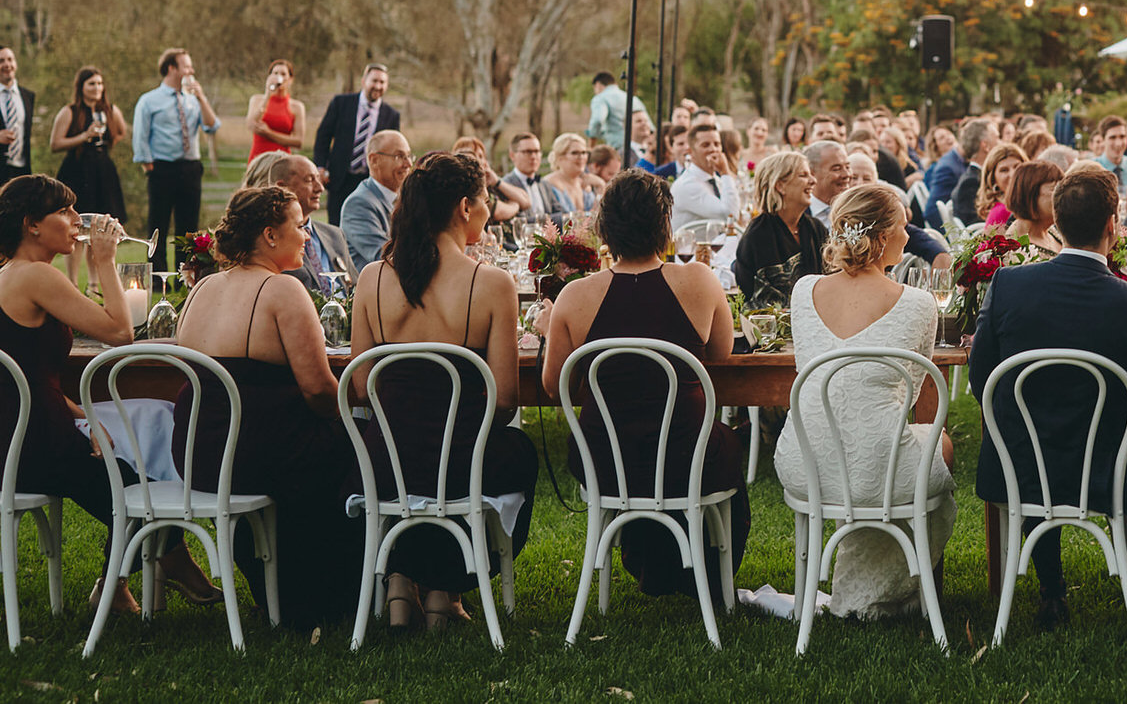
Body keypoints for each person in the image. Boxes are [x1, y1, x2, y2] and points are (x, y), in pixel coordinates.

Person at [968, 167, 1127, 633]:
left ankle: (1051, 589)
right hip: (1109, 469)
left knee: (1035, 444)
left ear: (1056, 223)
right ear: (1113, 225)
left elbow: (981, 376)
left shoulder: (1009, 286)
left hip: (1021, 468)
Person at [0, 176, 220, 614]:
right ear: (32, 226)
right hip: (39, 448)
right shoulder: (37, 276)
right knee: (148, 494)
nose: (75, 221)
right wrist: (105, 260)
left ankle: (133, 577)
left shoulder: (10, 274)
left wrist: (81, 412)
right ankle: (140, 573)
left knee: (132, 477)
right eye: (63, 212)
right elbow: (120, 332)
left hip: (19, 435)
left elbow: (20, 376)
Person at [542, 167, 746, 604]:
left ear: (605, 228)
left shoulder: (575, 297)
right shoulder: (699, 281)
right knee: (728, 442)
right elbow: (722, 354)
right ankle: (703, 574)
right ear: (665, 226)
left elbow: (552, 386)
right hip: (685, 456)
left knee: (665, 447)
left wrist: (549, 331)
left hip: (607, 460)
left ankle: (653, 562)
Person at [349, 152, 535, 632]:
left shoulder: (372, 278)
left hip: (385, 462)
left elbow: (357, 384)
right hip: (461, 463)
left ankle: (401, 583)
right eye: (485, 198)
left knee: (422, 463)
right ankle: (445, 591)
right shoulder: (492, 284)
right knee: (516, 454)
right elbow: (507, 398)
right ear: (464, 208)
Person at [171, 186, 365, 629]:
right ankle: (327, 597)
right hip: (259, 448)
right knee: (363, 459)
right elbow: (317, 389)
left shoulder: (202, 288)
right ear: (269, 235)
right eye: (300, 225)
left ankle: (279, 590)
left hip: (200, 452)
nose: (307, 236)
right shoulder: (283, 290)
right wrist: (353, 417)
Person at [774, 183, 956, 618]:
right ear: (878, 239)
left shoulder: (803, 291)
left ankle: (861, 589)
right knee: (939, 442)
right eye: (902, 227)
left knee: (881, 443)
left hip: (805, 461)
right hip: (878, 467)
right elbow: (909, 391)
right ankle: (894, 591)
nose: (909, 237)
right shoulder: (918, 303)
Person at [131, 47, 221, 272]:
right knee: (158, 225)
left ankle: (185, 275)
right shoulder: (149, 100)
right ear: (172, 68)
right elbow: (140, 135)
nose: (191, 70)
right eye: (187, 66)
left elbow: (211, 126)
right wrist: (147, 164)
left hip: (190, 168)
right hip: (162, 168)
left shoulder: (193, 99)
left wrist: (201, 96)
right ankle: (158, 274)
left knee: (188, 228)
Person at [252, 151, 356, 293]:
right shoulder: (271, 240)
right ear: (283, 187)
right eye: (309, 180)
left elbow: (356, 286)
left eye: (319, 179)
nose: (320, 188)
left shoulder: (334, 235)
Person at [735, 151, 825, 312]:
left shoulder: (815, 228)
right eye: (803, 175)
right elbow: (763, 302)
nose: (813, 181)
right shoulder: (758, 236)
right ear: (780, 186)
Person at [310, 64, 397, 226]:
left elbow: (393, 151)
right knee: (335, 228)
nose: (378, 86)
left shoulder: (391, 115)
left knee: (366, 225)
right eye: (374, 81)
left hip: (370, 181)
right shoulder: (341, 103)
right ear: (364, 81)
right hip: (339, 179)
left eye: (382, 82)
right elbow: (323, 136)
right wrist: (321, 166)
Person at [49, 66, 128, 224]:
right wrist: (84, 137)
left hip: (103, 169)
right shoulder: (70, 111)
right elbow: (55, 144)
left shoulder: (110, 110)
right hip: (77, 169)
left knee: (104, 222)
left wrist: (106, 143)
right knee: (78, 222)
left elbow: (121, 132)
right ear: (81, 87)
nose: (97, 87)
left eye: (100, 83)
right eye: (92, 84)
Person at [340, 129, 412, 269]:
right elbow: (385, 256)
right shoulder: (358, 204)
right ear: (374, 160)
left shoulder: (407, 198)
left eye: (409, 156)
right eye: (399, 156)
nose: (408, 164)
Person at [452, 136, 527, 223]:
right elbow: (498, 212)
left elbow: (526, 201)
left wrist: (497, 181)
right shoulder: (467, 189)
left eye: (480, 156)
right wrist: (515, 206)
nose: (476, 160)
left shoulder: (491, 183)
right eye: (469, 156)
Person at [245, 59, 306, 160]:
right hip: (258, 158)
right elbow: (251, 124)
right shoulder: (257, 100)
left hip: (282, 160)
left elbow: (298, 142)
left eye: (283, 74)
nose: (278, 77)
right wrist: (267, 95)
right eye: (275, 73)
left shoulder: (297, 107)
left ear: (290, 79)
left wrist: (269, 133)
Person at [503, 132, 572, 220]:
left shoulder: (544, 184)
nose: (533, 156)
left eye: (537, 151)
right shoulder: (506, 185)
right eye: (528, 152)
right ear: (512, 155)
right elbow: (518, 221)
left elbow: (561, 213)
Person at [1003, 160, 1064, 251]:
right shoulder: (1016, 250)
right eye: (1055, 189)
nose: (1064, 195)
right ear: (1030, 195)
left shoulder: (1049, 231)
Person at [946, 120, 995, 225]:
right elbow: (974, 224)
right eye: (997, 137)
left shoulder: (975, 176)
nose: (1002, 143)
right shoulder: (971, 182)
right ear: (985, 145)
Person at [0, 47, 34, 188]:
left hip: (22, 171)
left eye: (10, 59)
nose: (7, 64)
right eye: (1, 61)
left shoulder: (28, 96)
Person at [541, 132, 598, 216]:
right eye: (575, 153)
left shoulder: (586, 184)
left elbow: (598, 217)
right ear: (560, 157)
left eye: (584, 152)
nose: (581, 157)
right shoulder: (548, 184)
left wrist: (601, 186)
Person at [976, 142, 1030, 225]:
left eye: (1017, 166)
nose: (1013, 174)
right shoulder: (1001, 212)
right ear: (993, 180)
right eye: (1004, 170)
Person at [586, 72, 629, 155]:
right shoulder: (632, 98)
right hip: (639, 148)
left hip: (618, 148)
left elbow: (597, 120)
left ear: (598, 85)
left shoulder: (601, 98)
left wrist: (591, 146)